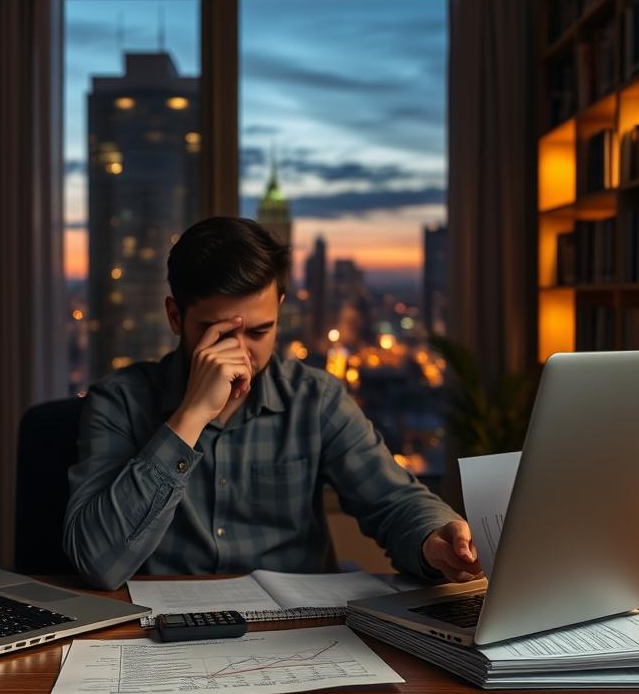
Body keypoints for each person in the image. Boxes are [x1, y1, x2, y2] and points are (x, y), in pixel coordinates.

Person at [64, 217, 483, 590]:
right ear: (176, 317)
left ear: (280, 310)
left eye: (260, 332)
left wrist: (436, 539)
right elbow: (98, 563)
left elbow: (394, 502)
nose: (240, 355)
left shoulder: (315, 400)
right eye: (219, 333)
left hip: (293, 636)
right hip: (157, 637)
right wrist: (189, 417)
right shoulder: (118, 401)